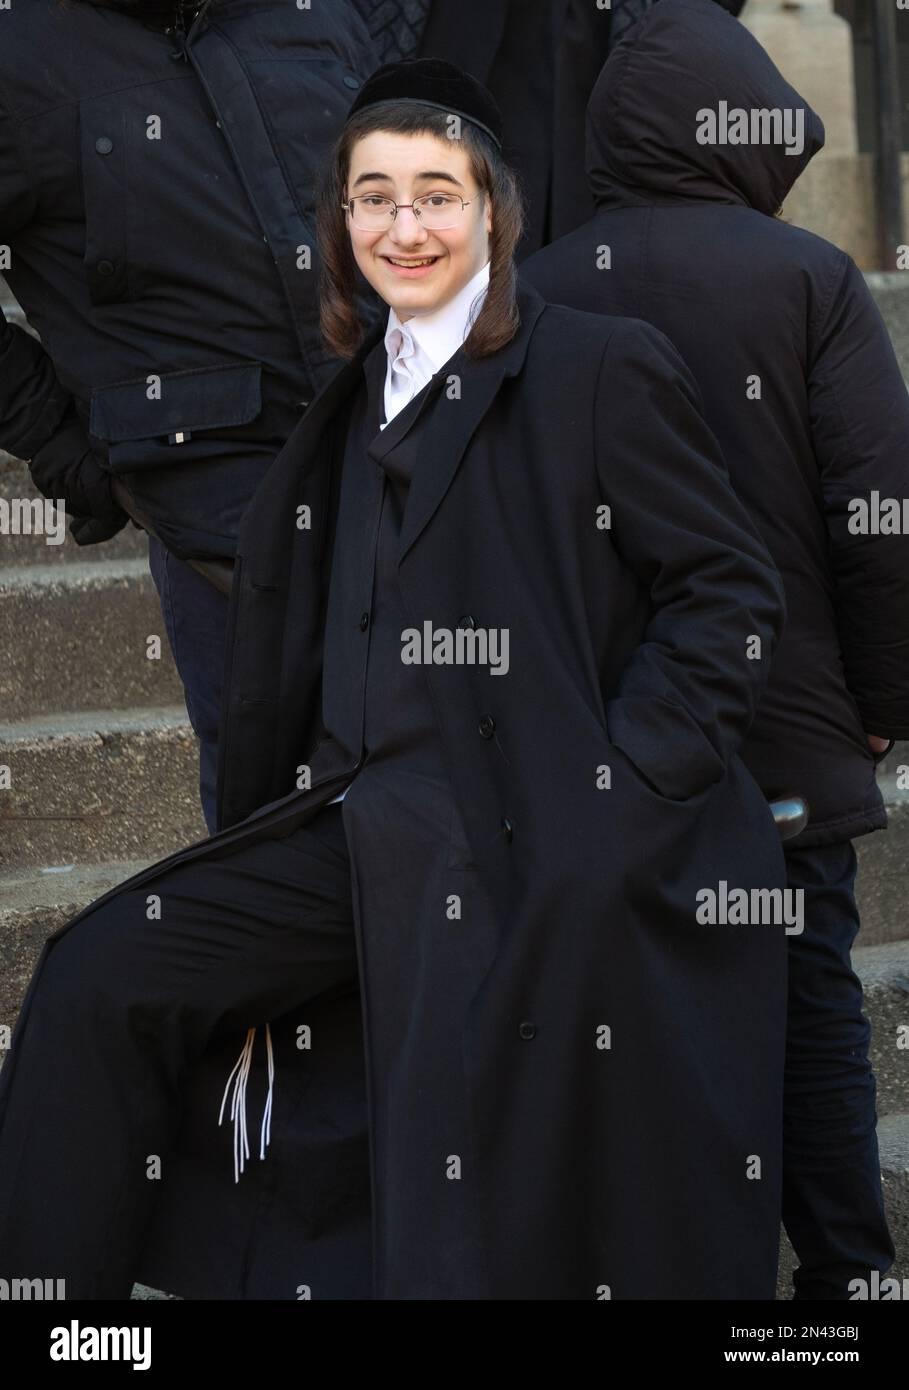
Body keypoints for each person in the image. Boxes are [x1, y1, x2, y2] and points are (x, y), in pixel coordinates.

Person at [0, 57, 791, 1301]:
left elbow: (729, 594)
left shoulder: (596, 363)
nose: (404, 225)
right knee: (100, 975)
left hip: (533, 822)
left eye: (437, 193)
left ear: (494, 213)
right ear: (341, 224)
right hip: (361, 824)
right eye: (375, 197)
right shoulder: (349, 401)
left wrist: (620, 790)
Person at [521, 0, 909, 1299]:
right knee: (807, 999)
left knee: (643, 1015)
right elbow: (878, 523)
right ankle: (847, 1272)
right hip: (788, 736)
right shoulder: (805, 279)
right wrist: (882, 700)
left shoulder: (535, 292)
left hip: (611, 740)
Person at [0, 0, 379, 830]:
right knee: (280, 848)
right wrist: (62, 439)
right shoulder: (20, 51)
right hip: (224, 541)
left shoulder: (318, 16)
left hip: (413, 490)